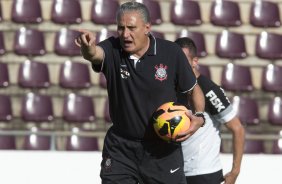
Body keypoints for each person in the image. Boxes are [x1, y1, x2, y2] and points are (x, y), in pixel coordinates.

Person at [75, 2, 206, 184]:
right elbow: (94, 54)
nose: (125, 34)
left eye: (131, 28)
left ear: (147, 27)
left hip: (162, 151)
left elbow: (193, 90)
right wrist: (87, 46)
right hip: (121, 148)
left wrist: (199, 116)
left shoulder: (171, 53)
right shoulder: (112, 49)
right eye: (121, 28)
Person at [174, 37, 245, 184]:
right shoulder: (172, 87)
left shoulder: (209, 90)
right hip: (175, 171)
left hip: (204, 174)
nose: (179, 65)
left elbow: (237, 129)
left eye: (183, 60)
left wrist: (235, 172)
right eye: (176, 60)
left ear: (195, 61)